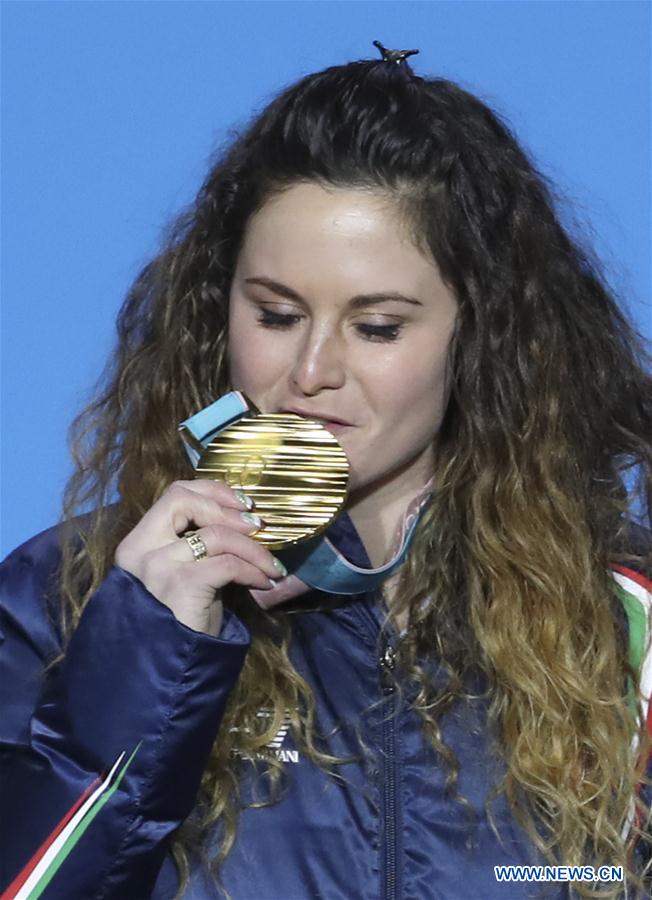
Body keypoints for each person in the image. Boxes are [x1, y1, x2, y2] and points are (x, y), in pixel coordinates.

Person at [1, 42, 651, 900]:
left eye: (377, 327)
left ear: (480, 338)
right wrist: (150, 654)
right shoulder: (70, 594)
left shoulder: (624, 614)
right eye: (276, 314)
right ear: (218, 304)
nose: (312, 370)